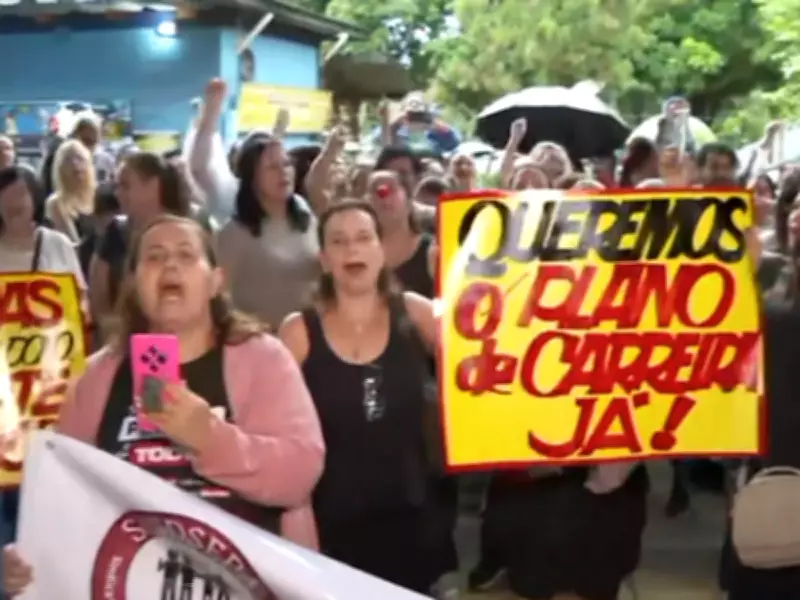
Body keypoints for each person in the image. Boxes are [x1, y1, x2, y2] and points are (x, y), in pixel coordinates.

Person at [2, 214, 325, 597]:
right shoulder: (97, 376)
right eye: (154, 257)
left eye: (186, 255)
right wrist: (28, 554)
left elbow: (300, 473)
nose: (170, 265)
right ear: (135, 283)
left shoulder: (263, 358)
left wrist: (209, 439)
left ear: (215, 281)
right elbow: (65, 495)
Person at [279, 201, 440, 595]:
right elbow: (272, 426)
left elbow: (479, 370)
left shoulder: (417, 313)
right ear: (323, 259)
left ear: (381, 251)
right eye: (338, 241)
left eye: (364, 237)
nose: (352, 249)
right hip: (329, 522)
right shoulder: (298, 331)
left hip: (411, 514)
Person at [216, 134, 322, 328]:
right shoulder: (234, 233)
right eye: (272, 167)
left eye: (287, 164)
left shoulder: (305, 214)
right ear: (252, 177)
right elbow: (219, 295)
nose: (283, 172)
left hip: (310, 332)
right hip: (260, 336)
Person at [90, 152, 193, 338]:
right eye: (117, 186)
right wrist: (109, 325)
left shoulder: (187, 233)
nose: (117, 193)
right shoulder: (115, 231)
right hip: (122, 338)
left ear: (153, 186)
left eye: (125, 185)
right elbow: (98, 290)